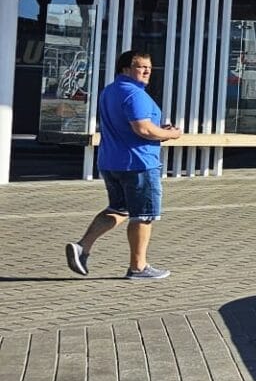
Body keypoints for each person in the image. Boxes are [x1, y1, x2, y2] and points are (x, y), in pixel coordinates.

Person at [66, 50, 183, 280]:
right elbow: (143, 129)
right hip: (138, 163)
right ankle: (138, 267)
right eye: (141, 67)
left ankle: (82, 247)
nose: (147, 71)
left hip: (111, 161)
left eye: (149, 67)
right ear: (125, 69)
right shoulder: (134, 94)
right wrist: (172, 134)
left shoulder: (109, 91)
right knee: (144, 215)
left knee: (118, 209)